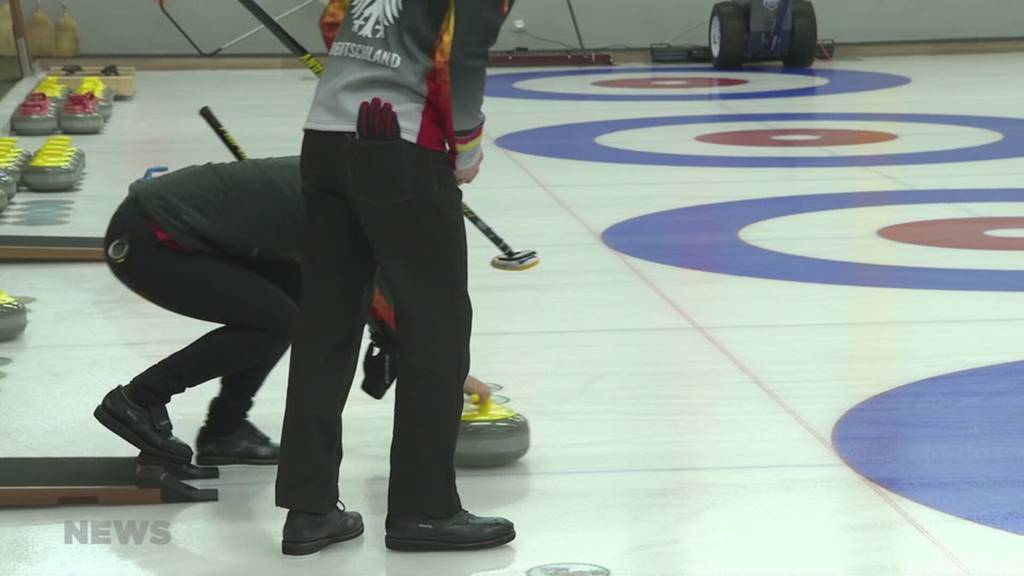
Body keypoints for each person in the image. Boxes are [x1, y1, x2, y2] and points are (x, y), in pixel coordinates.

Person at [275, 0, 515, 556]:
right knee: (436, 329)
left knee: (326, 329)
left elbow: (334, 22)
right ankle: (425, 510)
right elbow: (466, 59)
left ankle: (309, 511)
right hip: (400, 143)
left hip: (325, 138)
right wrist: (467, 145)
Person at [92, 158, 493, 467]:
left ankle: (225, 431)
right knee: (276, 319)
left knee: (289, 305)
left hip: (189, 233)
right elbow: (379, 297)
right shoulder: (361, 206)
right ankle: (139, 399)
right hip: (149, 237)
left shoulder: (357, 182)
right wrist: (448, 372)